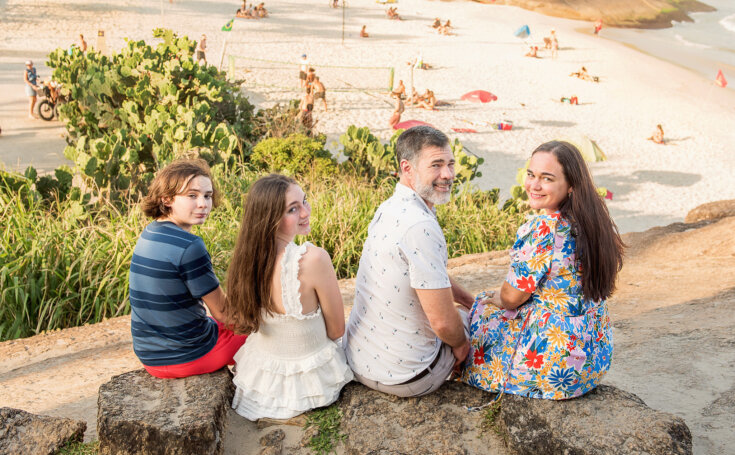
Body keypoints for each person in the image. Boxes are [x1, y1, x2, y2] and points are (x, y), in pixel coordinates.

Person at [460, 141, 624, 399]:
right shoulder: (592, 222)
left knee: (478, 308)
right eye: (530, 174)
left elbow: (513, 296)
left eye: (546, 178)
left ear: (570, 186)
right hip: (590, 362)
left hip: (553, 369)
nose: (533, 186)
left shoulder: (543, 230)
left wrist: (495, 299)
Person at [343, 126, 475, 398]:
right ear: (407, 168)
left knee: (472, 309)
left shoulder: (390, 208)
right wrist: (461, 344)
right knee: (479, 322)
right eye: (436, 165)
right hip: (409, 377)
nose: (448, 175)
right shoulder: (420, 226)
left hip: (360, 362)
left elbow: (428, 274)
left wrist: (469, 299)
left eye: (450, 164)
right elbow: (441, 322)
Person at [226, 174, 353, 420]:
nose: (305, 212)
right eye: (293, 209)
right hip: (310, 381)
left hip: (260, 376)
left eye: (304, 201)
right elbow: (337, 330)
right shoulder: (313, 258)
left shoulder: (248, 260)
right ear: (269, 219)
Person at [129, 159, 248, 379]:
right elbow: (222, 312)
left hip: (150, 355)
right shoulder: (190, 246)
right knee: (262, 333)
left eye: (208, 195)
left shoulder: (150, 232)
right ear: (167, 198)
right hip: (188, 357)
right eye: (192, 196)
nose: (203, 204)